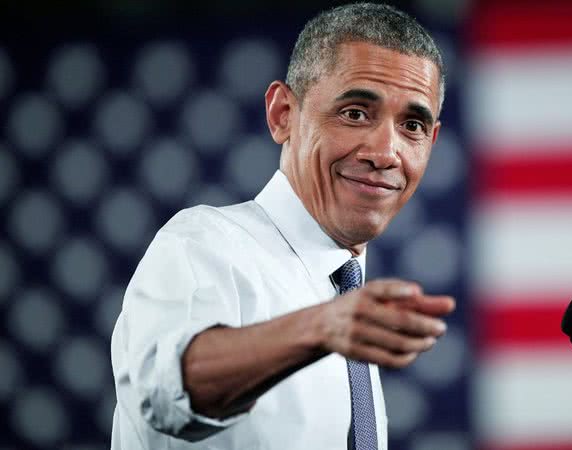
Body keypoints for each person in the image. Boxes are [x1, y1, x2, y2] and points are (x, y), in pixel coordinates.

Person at [110, 3, 454, 449]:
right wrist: (321, 327)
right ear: (282, 114)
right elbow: (161, 392)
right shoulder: (202, 243)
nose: (386, 152)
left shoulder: (345, 299)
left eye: (412, 125)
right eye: (355, 113)